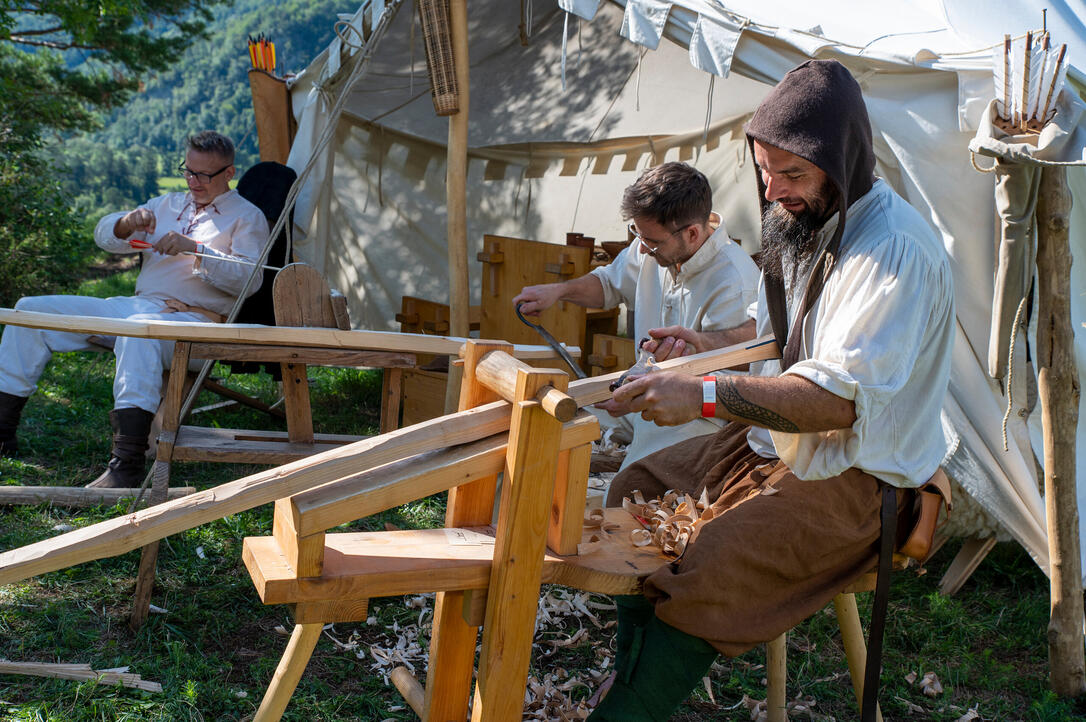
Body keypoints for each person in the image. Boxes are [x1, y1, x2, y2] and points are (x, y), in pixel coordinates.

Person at [585, 60, 955, 720]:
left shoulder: (893, 252)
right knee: (633, 495)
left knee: (712, 563)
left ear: (843, 160)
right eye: (765, 169)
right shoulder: (802, 223)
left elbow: (838, 403)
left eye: (793, 174)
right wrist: (701, 351)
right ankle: (636, 679)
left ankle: (627, 712)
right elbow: (773, 331)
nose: (774, 188)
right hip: (772, 446)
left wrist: (703, 395)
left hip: (857, 474)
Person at [0, 131, 270, 488]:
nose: (193, 182)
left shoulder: (248, 216)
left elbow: (250, 282)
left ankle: (126, 465)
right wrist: (125, 223)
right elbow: (106, 237)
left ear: (229, 172)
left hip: (195, 321)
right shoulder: (166, 204)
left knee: (139, 331)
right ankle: (3, 433)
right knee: (29, 311)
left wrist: (197, 250)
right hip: (135, 308)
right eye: (188, 172)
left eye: (204, 175)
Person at [512, 162, 759, 468]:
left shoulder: (734, 282)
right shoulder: (653, 245)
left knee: (631, 483)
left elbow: (726, 386)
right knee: (554, 423)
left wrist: (644, 392)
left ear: (693, 233)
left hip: (698, 419)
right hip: (638, 394)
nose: (642, 250)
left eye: (652, 242)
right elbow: (607, 284)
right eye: (638, 236)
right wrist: (559, 292)